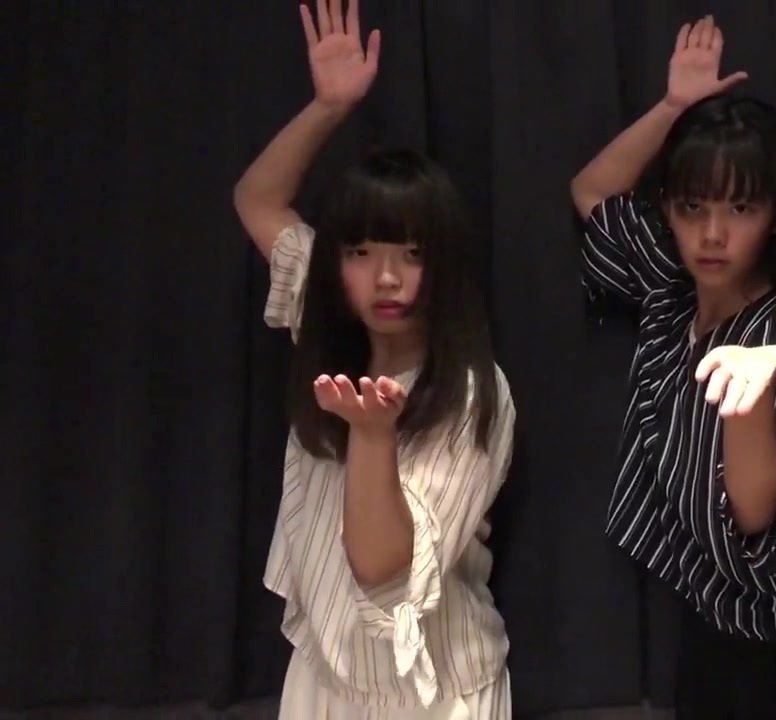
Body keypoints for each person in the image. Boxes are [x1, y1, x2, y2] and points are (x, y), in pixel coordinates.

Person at [570, 15, 776, 719]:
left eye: (741, 207)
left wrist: (747, 400)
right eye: (693, 206)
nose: (713, 233)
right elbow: (592, 193)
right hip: (721, 630)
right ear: (668, 209)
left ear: (775, 217)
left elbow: (757, 521)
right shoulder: (669, 291)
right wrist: (674, 109)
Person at [232, 1, 514, 717]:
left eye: (411, 254)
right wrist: (329, 107)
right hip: (325, 680)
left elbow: (384, 570)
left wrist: (373, 435)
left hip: (436, 691)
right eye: (360, 252)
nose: (385, 278)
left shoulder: (471, 392)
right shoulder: (328, 320)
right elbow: (258, 200)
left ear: (443, 263)